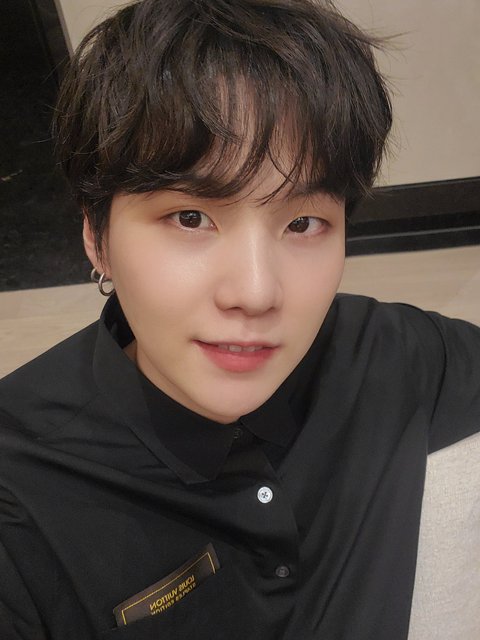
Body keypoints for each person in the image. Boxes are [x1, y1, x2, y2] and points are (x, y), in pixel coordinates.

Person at [0, 0, 478, 638]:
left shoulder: (393, 357)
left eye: (302, 223)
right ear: (97, 236)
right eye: (190, 218)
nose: (256, 292)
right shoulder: (20, 498)